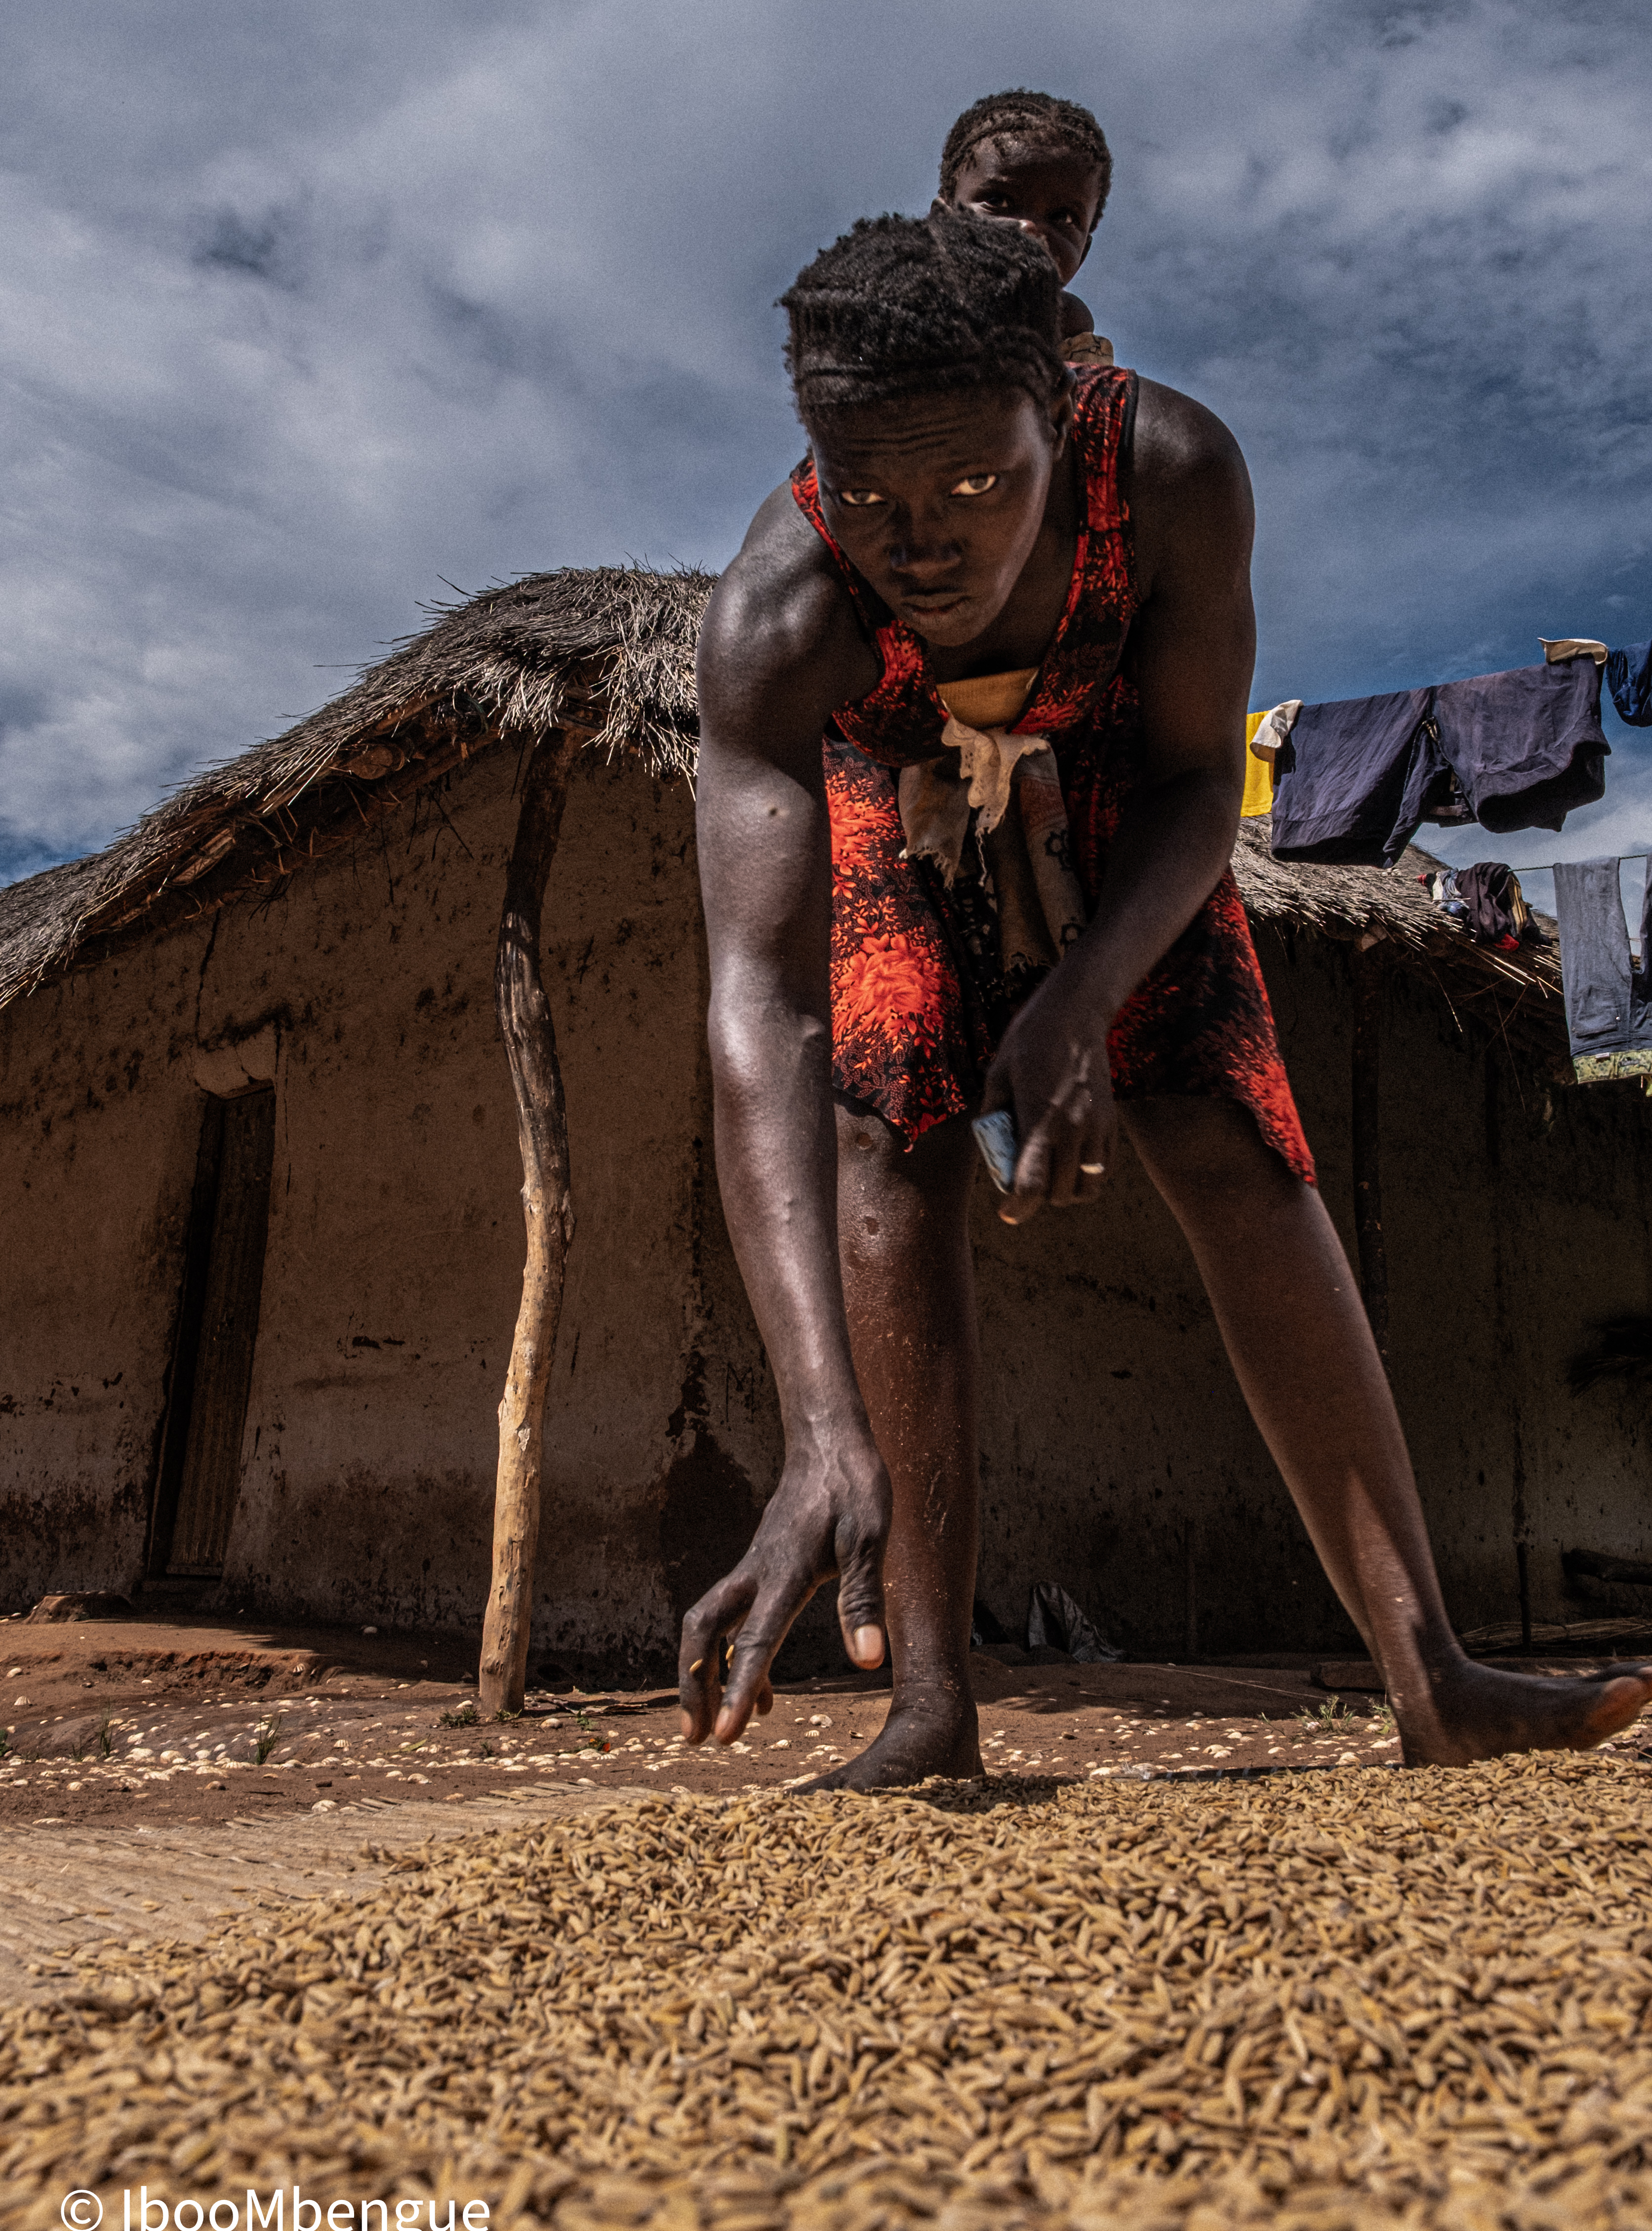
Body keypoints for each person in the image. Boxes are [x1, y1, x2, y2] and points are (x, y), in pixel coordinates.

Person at [678, 207, 1652, 1782]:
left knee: (1222, 1120)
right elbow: (757, 1009)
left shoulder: (1173, 470)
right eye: (867, 496)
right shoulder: (780, 623)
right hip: (895, 772)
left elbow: (1204, 778)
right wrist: (814, 1418)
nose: (918, 542)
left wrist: (1077, 997)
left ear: (1059, 420)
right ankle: (927, 1706)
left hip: (1127, 779)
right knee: (883, 1113)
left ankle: (1434, 1677)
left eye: (973, 487)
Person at [935, 87, 1112, 357]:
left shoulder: (1078, 354)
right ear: (941, 221)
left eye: (1063, 217)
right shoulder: (886, 310)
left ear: (1083, 254)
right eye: (997, 201)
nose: (1030, 229)